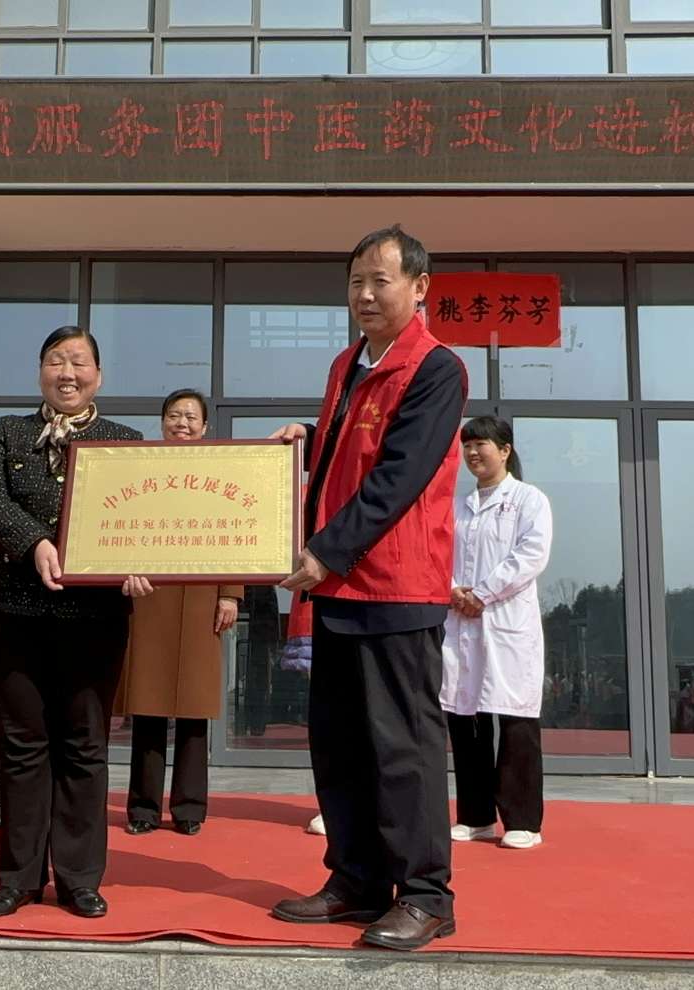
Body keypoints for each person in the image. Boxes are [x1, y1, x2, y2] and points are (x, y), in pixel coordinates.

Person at [267, 225, 467, 952]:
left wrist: (325, 551)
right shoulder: (347, 364)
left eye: (381, 280)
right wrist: (305, 441)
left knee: (402, 747)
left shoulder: (437, 368)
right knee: (340, 743)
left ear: (419, 287)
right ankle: (355, 880)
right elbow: (346, 456)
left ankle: (426, 895)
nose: (366, 294)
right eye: (356, 281)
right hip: (340, 588)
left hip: (396, 586)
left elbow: (399, 474)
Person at [0, 325, 150, 921]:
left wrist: (142, 562)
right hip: (13, 611)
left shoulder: (124, 442)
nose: (67, 373)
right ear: (40, 371)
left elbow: (145, 518)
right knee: (22, 744)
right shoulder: (7, 431)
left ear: (98, 375)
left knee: (84, 744)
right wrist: (36, 542)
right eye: (55, 361)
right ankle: (18, 879)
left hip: (94, 617)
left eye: (78, 362)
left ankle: (79, 879)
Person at [115, 389, 241, 837]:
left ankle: (189, 808)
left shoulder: (220, 473)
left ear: (205, 426)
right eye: (174, 415)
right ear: (162, 422)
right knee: (147, 708)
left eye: (190, 417)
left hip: (204, 599)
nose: (181, 423)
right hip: (149, 597)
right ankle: (143, 808)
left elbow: (239, 534)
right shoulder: (141, 469)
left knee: (194, 711)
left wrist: (231, 594)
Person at [442, 416, 553, 852]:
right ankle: (476, 816)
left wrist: (483, 594)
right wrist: (454, 589)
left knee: (515, 720)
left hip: (506, 623)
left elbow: (531, 556)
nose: (473, 453)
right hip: (462, 621)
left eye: (481, 444)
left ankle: (523, 820)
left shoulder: (529, 500)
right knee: (465, 718)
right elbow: (438, 554)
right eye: (467, 445)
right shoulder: (457, 506)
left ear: (505, 450)